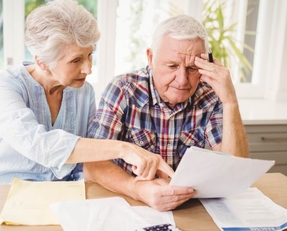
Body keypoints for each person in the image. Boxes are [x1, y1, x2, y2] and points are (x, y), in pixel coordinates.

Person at [0, 0, 174, 186]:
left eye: (90, 55)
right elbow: (38, 144)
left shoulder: (83, 92)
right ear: (42, 61)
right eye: (76, 60)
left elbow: (86, 160)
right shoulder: (7, 85)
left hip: (54, 197)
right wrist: (125, 149)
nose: (88, 69)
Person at [84, 14, 249, 211]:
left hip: (189, 208)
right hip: (129, 203)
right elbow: (92, 164)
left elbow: (235, 169)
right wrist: (137, 189)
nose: (182, 80)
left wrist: (230, 101)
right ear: (151, 58)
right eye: (172, 66)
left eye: (192, 68)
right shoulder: (123, 89)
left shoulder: (211, 95)